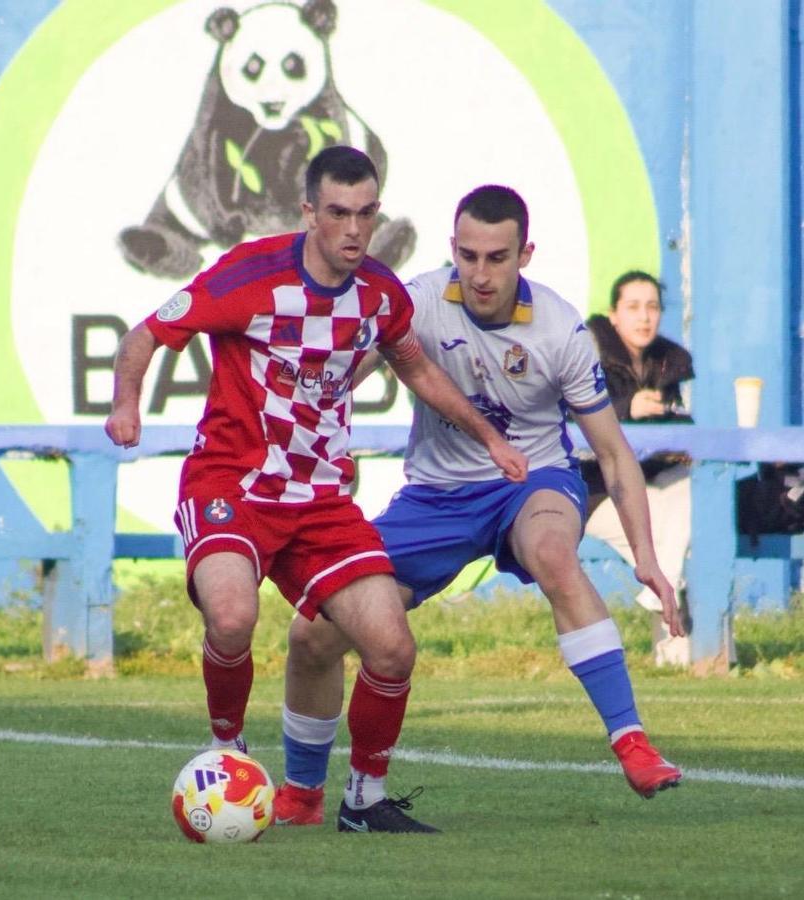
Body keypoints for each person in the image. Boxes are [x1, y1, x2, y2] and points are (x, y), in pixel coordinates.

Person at [104, 147, 528, 834]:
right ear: (309, 211)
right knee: (233, 617)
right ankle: (227, 752)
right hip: (231, 485)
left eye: (365, 214)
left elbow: (416, 368)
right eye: (337, 213)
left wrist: (490, 437)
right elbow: (145, 337)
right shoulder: (250, 275)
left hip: (321, 503)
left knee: (392, 647)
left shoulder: (381, 295)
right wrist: (127, 404)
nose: (353, 230)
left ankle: (363, 800)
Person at [272, 185, 685, 830]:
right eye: (468, 255)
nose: (481, 272)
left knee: (552, 553)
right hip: (433, 498)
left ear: (526, 253)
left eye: (497, 257)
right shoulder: (419, 302)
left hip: (531, 483)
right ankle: (304, 796)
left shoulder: (561, 329)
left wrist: (647, 558)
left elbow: (612, 453)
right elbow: (342, 379)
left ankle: (632, 742)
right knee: (315, 632)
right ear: (452, 250)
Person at [582, 272, 695, 666]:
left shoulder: (670, 362)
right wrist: (627, 409)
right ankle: (676, 641)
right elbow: (571, 417)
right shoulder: (587, 352)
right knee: (666, 527)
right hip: (595, 488)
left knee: (686, 495)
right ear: (613, 315)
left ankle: (669, 633)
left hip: (651, 482)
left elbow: (687, 427)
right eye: (632, 307)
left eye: (652, 307)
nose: (644, 317)